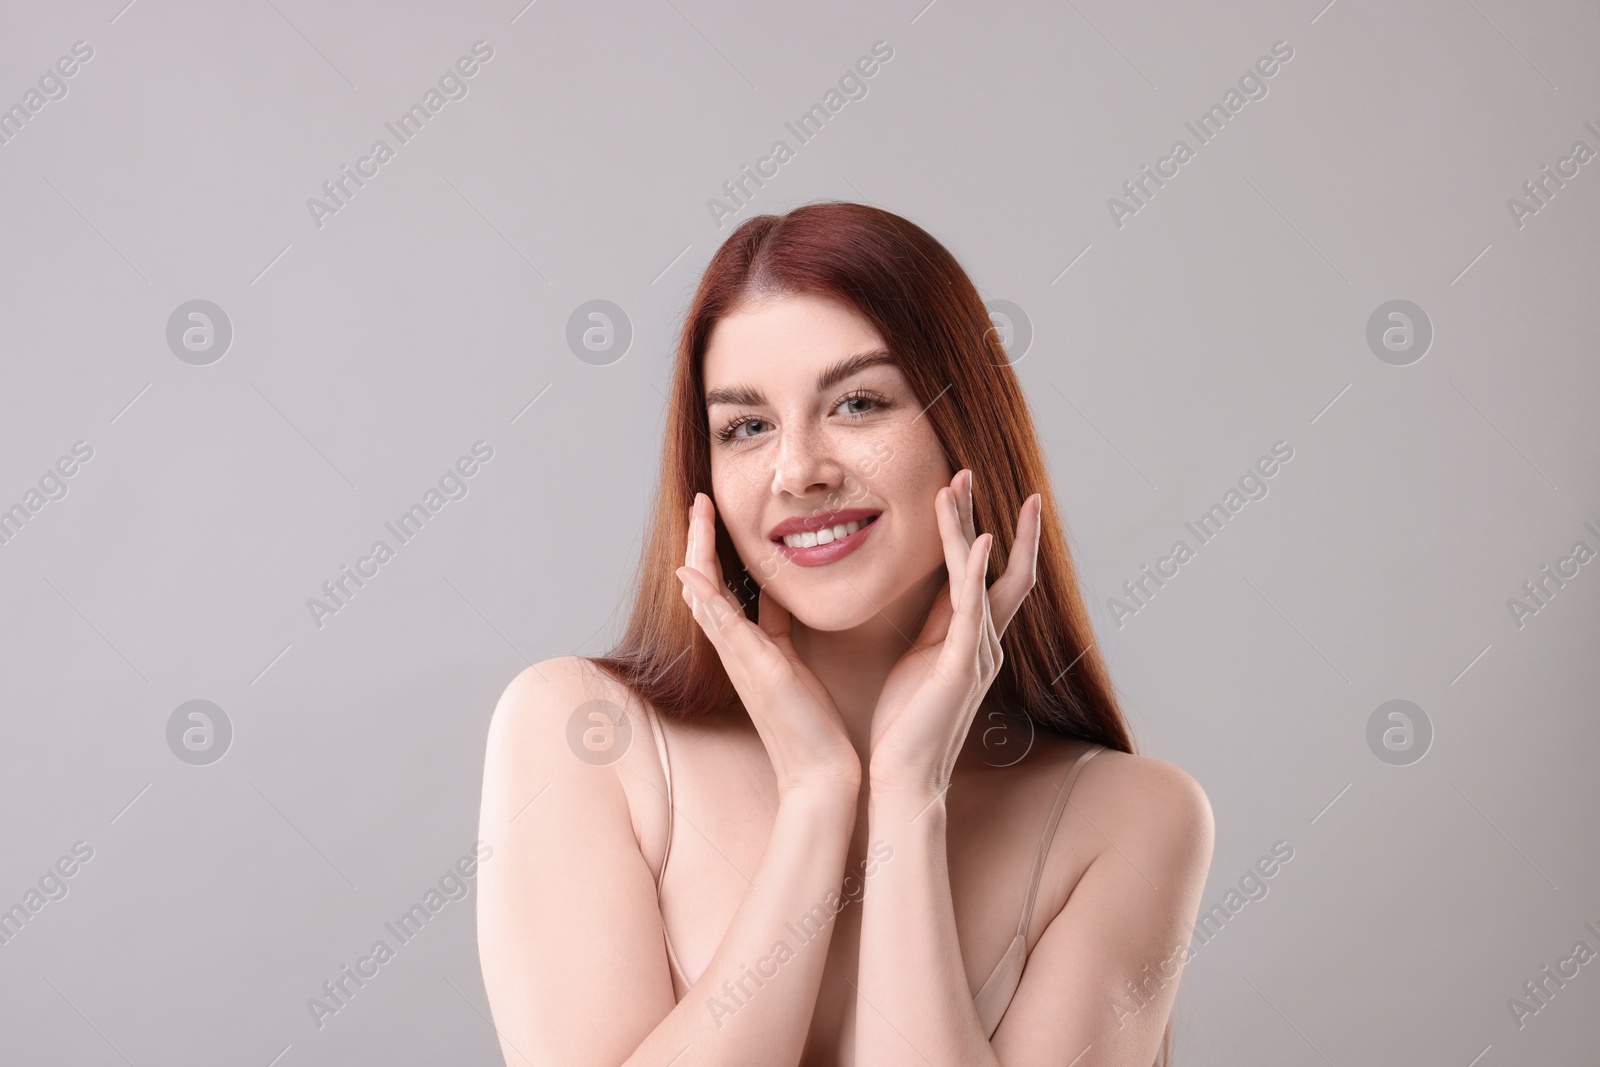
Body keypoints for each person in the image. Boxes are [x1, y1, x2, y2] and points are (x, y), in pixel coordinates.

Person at [476, 202, 1214, 1066]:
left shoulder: (1132, 819)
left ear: (963, 425)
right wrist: (817, 795)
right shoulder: (581, 735)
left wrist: (908, 794)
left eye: (858, 403)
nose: (799, 471)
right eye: (747, 426)